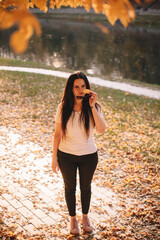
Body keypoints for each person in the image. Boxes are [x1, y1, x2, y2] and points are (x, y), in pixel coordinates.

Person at [52, 71, 106, 235]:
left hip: (89, 156)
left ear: (88, 88)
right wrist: (54, 158)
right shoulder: (63, 108)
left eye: (83, 86)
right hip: (66, 155)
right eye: (76, 87)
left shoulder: (94, 107)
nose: (80, 90)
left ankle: (85, 217)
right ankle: (73, 219)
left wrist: (91, 106)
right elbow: (57, 134)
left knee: (85, 187)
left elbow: (102, 129)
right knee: (70, 188)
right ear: (70, 89)